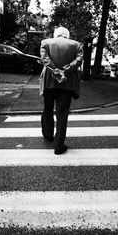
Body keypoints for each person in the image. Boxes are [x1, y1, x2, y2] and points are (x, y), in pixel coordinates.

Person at [39, 26, 83, 155]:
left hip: (48, 82)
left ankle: (48, 134)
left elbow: (45, 59)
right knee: (62, 114)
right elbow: (79, 60)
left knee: (47, 109)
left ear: (56, 34)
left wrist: (55, 71)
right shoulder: (76, 45)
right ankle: (58, 145)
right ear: (67, 35)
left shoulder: (46, 43)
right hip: (66, 83)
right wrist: (65, 70)